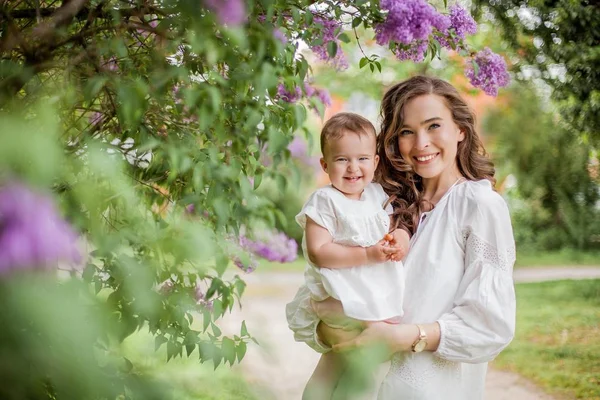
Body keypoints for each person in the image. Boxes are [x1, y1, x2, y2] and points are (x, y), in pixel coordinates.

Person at [289, 76, 517, 400]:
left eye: (434, 125)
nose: (421, 142)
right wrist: (331, 329)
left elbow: (490, 326)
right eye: (407, 131)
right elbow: (324, 293)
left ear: (460, 130)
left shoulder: (479, 206)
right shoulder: (380, 204)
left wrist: (400, 337)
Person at [285, 112, 411, 400]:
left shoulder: (378, 195)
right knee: (337, 362)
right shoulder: (325, 200)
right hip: (340, 295)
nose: (353, 168)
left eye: (362, 159)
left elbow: (393, 227)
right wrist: (367, 254)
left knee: (351, 361)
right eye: (342, 159)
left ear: (375, 162)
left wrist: (396, 240)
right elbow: (319, 252)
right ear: (325, 165)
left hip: (370, 293)